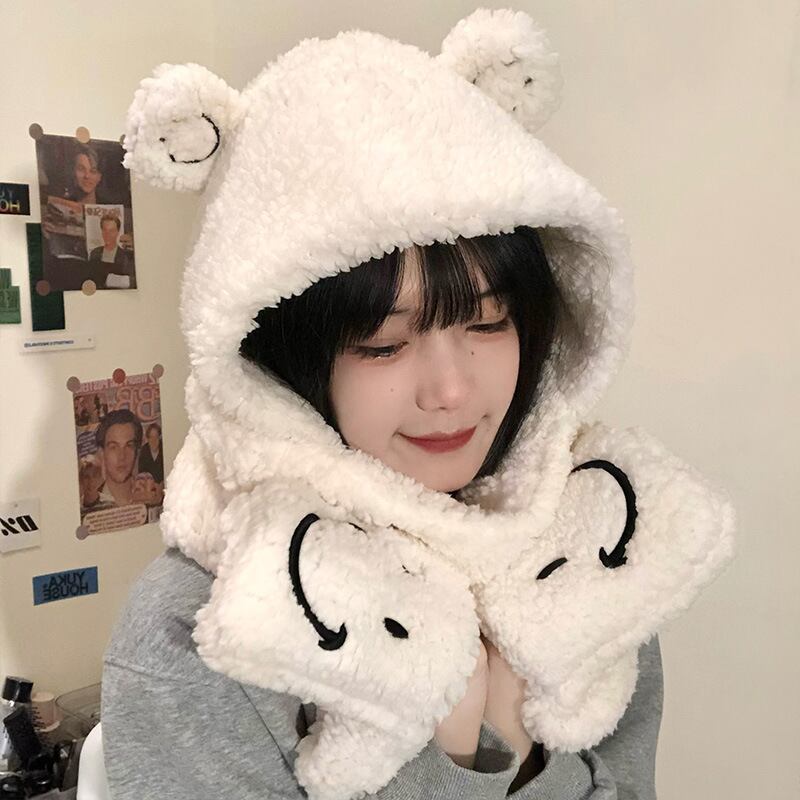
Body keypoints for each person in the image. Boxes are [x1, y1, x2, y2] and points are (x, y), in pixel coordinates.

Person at [103, 9, 734, 800]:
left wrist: (516, 748)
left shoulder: (593, 547)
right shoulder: (205, 619)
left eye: (488, 323)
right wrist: (467, 759)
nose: (452, 391)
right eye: (383, 344)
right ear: (285, 365)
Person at [88, 214, 136, 289]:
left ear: (118, 232)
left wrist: (113, 281)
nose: (107, 234)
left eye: (112, 231)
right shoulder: (95, 253)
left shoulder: (126, 256)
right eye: (105, 230)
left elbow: (133, 282)